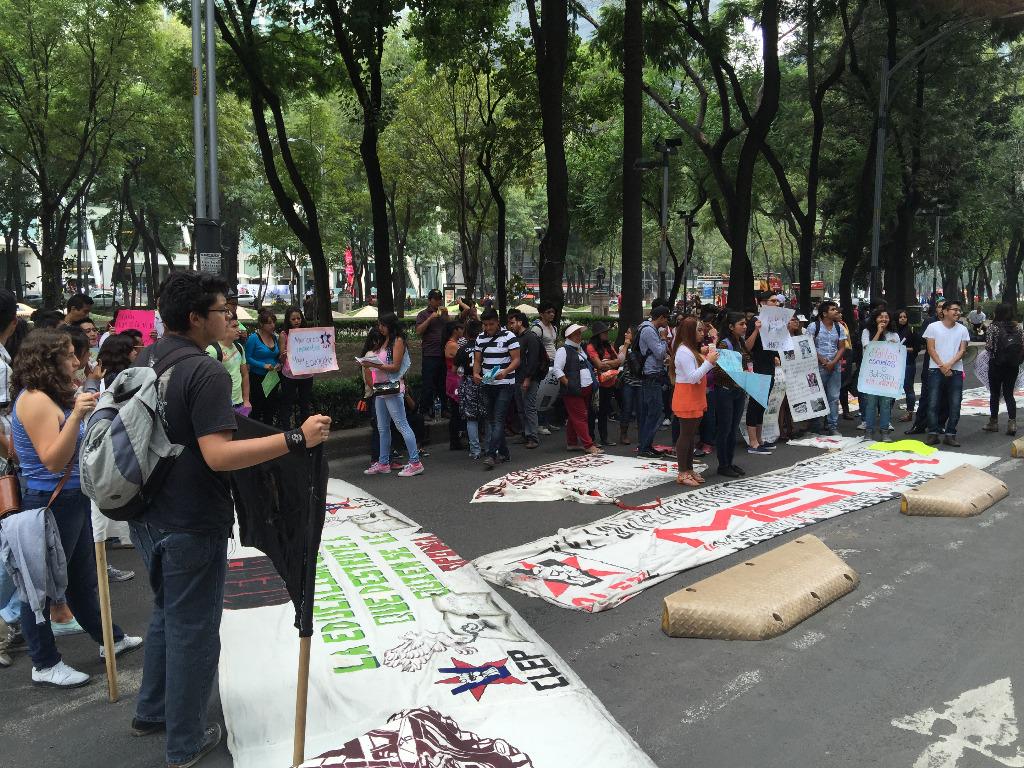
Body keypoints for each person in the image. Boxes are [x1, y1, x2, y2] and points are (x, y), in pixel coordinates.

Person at [130, 271, 330, 767]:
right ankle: (185, 741)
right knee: (194, 629)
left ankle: (152, 709)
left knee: (166, 613)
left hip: (146, 514)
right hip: (191, 519)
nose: (231, 317)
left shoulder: (147, 358)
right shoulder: (206, 372)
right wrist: (296, 439)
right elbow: (219, 455)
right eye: (223, 310)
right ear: (196, 318)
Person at [9, 328, 142, 688]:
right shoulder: (35, 399)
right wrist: (76, 417)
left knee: (81, 580)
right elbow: (53, 460)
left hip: (70, 498)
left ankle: (110, 638)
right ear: (48, 361)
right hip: (50, 502)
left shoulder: (53, 394)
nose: (76, 361)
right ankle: (44, 663)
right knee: (39, 588)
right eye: (68, 355)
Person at [360, 312, 424, 477]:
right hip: (381, 388)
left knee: (402, 425)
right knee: (382, 428)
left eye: (383, 325)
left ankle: (415, 462)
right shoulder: (385, 340)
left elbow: (395, 366)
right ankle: (383, 463)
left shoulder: (398, 341)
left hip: (392, 388)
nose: (380, 328)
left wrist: (374, 365)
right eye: (379, 325)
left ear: (390, 325)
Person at [671, 317, 718, 487]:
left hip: (694, 395)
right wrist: (709, 362)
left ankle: (688, 469)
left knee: (690, 435)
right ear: (690, 332)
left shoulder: (690, 349)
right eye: (699, 330)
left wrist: (709, 356)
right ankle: (682, 472)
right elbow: (692, 377)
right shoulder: (684, 351)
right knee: (686, 435)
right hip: (687, 395)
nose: (702, 333)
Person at [473, 309, 520, 469]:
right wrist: (475, 373)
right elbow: (477, 360)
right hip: (487, 382)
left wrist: (505, 371)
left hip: (505, 383)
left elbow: (516, 359)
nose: (488, 328)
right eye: (485, 325)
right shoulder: (480, 338)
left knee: (498, 419)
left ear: (497, 322)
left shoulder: (509, 336)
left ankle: (492, 454)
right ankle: (504, 452)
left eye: (491, 324)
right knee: (492, 420)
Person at [922, 299, 970, 446]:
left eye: (959, 310)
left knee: (955, 403)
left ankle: (950, 434)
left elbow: (962, 350)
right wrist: (942, 366)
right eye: (954, 309)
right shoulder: (933, 327)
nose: (957, 312)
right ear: (945, 311)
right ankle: (933, 433)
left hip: (956, 370)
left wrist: (949, 365)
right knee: (933, 402)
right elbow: (931, 349)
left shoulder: (962, 329)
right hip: (935, 370)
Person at [712, 313, 751, 478]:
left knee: (733, 428)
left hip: (738, 391)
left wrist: (746, 373)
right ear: (731, 326)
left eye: (745, 324)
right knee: (725, 428)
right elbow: (718, 370)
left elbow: (746, 361)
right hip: (725, 391)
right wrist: (737, 376)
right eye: (741, 324)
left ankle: (729, 462)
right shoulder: (724, 344)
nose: (744, 327)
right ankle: (723, 465)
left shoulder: (740, 342)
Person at [552, 323, 601, 455]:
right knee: (580, 417)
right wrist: (568, 384)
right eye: (577, 334)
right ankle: (588, 445)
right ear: (569, 336)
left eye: (580, 333)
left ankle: (572, 442)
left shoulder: (580, 348)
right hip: (574, 390)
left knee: (575, 417)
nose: (580, 336)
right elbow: (557, 370)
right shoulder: (563, 350)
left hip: (584, 389)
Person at [744, 293, 781, 454]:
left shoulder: (775, 321)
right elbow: (747, 346)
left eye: (777, 301)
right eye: (773, 301)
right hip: (757, 366)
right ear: (762, 303)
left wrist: (776, 356)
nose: (777, 303)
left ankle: (759, 439)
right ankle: (752, 442)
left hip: (769, 365)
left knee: (762, 403)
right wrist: (756, 330)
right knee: (755, 403)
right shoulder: (754, 320)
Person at [860, 308, 901, 442]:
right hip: (871, 374)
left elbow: (898, 355)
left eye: (886, 317)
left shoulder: (894, 335)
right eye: (880, 317)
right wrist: (878, 332)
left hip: (887, 375)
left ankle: (885, 431)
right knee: (870, 403)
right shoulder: (866, 332)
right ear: (875, 319)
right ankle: (869, 431)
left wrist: (894, 347)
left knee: (885, 404)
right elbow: (868, 349)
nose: (884, 319)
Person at [636, 305, 671, 458]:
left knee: (650, 412)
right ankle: (644, 448)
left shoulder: (648, 329)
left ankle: (646, 445)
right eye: (667, 318)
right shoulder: (649, 331)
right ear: (661, 317)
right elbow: (659, 353)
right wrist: (663, 339)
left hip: (651, 374)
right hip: (651, 375)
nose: (667, 322)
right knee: (655, 412)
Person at [807, 301, 847, 436]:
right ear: (824, 314)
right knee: (816, 395)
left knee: (834, 397)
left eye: (836, 309)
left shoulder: (839, 327)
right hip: (817, 366)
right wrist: (821, 359)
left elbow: (842, 347)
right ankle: (815, 425)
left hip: (835, 366)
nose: (836, 311)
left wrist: (833, 362)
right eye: (833, 309)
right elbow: (808, 345)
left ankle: (832, 426)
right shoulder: (814, 326)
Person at [982, 302, 1021, 436]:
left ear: (997, 312)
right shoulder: (1018, 327)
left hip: (996, 364)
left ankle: (993, 422)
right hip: (1013, 365)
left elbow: (989, 347)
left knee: (995, 394)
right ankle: (1012, 423)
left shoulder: (993, 327)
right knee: (1009, 394)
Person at [507, 310, 541, 449]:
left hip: (528, 378)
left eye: (512, 323)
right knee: (521, 408)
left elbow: (533, 360)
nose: (510, 326)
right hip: (517, 377)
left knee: (529, 407)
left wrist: (528, 378)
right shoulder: (517, 337)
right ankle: (525, 433)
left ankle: (533, 436)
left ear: (520, 322)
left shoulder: (530, 337)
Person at [277, 306, 314, 428]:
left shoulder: (308, 334)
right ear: (288, 320)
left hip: (306, 374)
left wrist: (327, 346)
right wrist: (283, 355)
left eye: (298, 318)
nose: (297, 321)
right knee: (287, 404)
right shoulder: (284, 335)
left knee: (305, 404)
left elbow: (316, 350)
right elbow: (281, 359)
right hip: (290, 375)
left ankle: (306, 431)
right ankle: (286, 431)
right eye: (293, 319)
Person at [414, 289, 449, 421]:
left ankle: (444, 409)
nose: (438, 301)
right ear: (430, 300)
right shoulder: (423, 314)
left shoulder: (443, 314)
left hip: (443, 354)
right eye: (435, 299)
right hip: (430, 354)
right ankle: (424, 410)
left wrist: (446, 315)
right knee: (428, 384)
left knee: (443, 383)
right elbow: (418, 331)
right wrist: (430, 318)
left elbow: (450, 329)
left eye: (440, 298)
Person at [586, 321, 620, 447]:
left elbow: (619, 361)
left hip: (609, 382)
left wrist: (606, 363)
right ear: (598, 334)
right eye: (604, 332)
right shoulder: (591, 347)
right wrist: (609, 363)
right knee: (593, 412)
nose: (606, 334)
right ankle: (591, 438)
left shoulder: (608, 346)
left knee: (604, 412)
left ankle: (604, 437)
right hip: (597, 384)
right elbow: (599, 365)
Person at [207, 313, 250, 413]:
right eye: (234, 326)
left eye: (238, 326)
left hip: (240, 404)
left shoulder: (239, 347)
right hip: (222, 406)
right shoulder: (212, 350)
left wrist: (246, 399)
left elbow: (245, 374)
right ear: (223, 327)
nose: (239, 330)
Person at [244, 309, 280, 425]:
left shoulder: (274, 337)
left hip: (272, 377)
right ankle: (256, 430)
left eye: (273, 322)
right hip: (257, 378)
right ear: (261, 324)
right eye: (269, 323)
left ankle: (269, 430)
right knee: (257, 406)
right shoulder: (253, 338)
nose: (272, 325)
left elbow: (275, 356)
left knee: (270, 406)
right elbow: (247, 357)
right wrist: (263, 365)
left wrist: (278, 364)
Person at [530, 303, 558, 435]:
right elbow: (534, 348)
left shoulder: (554, 327)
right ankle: (539, 423)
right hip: (544, 364)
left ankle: (546, 421)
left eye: (553, 312)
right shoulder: (537, 328)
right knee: (542, 393)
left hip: (554, 363)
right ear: (541, 314)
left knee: (550, 392)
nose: (551, 314)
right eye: (548, 312)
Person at [458, 320, 484, 459]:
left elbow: (455, 369)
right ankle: (491, 447)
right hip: (485, 381)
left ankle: (475, 449)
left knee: (471, 418)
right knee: (488, 416)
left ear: (466, 333)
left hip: (468, 382)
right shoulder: (484, 347)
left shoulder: (462, 349)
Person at [442, 320, 466, 451]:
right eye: (461, 328)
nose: (463, 331)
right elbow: (464, 358)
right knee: (456, 411)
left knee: (457, 410)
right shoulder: (452, 345)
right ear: (455, 330)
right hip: (455, 379)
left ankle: (456, 439)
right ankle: (455, 440)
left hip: (453, 378)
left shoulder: (451, 343)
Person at [617, 326, 641, 445]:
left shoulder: (641, 346)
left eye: (629, 333)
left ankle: (642, 434)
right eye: (626, 332)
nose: (626, 334)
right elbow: (619, 361)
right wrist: (626, 346)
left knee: (641, 409)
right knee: (627, 408)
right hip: (628, 382)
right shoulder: (623, 347)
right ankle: (623, 434)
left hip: (640, 382)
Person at [895, 309, 920, 423]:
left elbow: (916, 348)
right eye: (900, 317)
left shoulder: (911, 330)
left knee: (908, 388)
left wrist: (903, 348)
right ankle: (885, 412)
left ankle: (910, 412)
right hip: (894, 364)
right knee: (891, 387)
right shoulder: (893, 331)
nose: (902, 319)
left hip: (908, 363)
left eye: (904, 317)